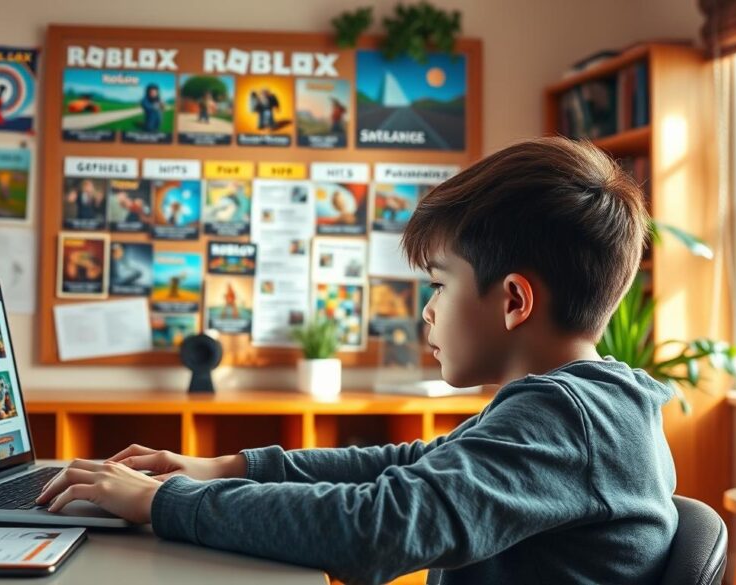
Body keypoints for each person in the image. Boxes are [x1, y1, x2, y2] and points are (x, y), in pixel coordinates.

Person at [36, 137, 675, 584]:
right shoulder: (585, 404)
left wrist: (163, 503)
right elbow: (415, 462)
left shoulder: (564, 420)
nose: (427, 311)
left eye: (440, 284)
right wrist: (227, 466)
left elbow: (379, 528)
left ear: (513, 300)